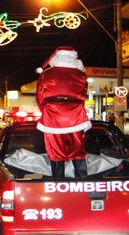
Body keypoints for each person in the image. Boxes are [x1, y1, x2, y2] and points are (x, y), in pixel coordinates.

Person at [36, 46, 91, 178]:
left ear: (57, 57)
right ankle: (82, 182)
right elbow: (83, 95)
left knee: (55, 151)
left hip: (53, 116)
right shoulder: (81, 75)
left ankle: (58, 182)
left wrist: (47, 111)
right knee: (78, 150)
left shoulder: (45, 74)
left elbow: (40, 96)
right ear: (73, 58)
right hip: (76, 116)